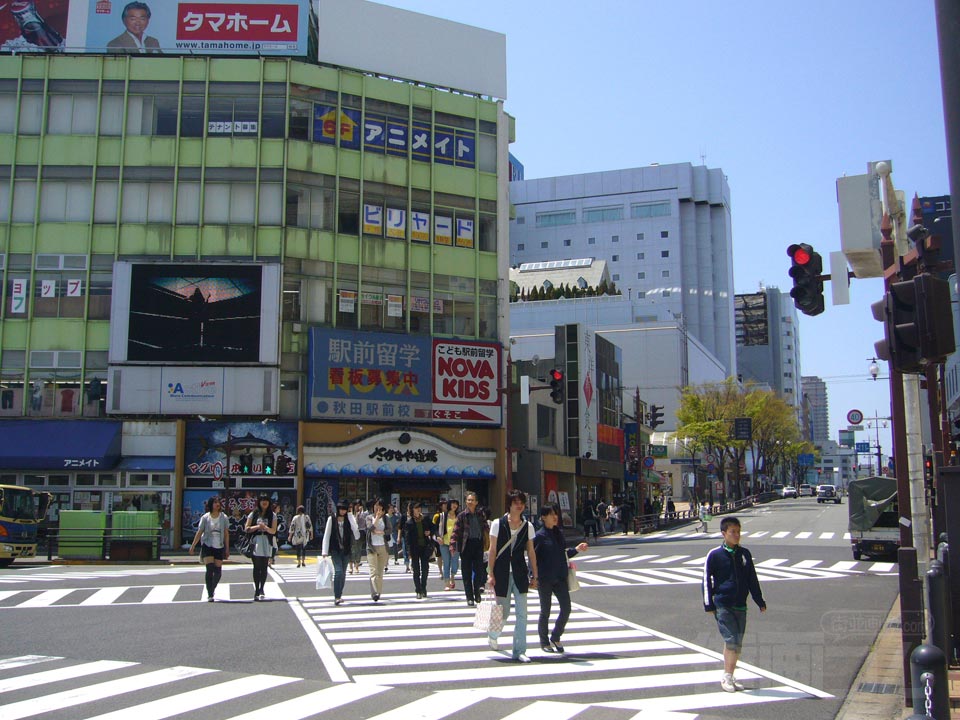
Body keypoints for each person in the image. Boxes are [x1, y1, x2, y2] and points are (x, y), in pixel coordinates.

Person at [702, 516, 767, 692]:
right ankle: (727, 676)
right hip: (723, 604)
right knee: (731, 640)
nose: (737, 535)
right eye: (733, 532)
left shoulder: (744, 554)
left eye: (738, 532)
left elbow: (752, 578)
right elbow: (706, 580)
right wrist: (709, 604)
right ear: (724, 534)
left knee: (737, 642)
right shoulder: (715, 555)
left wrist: (759, 600)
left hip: (741, 604)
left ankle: (730, 674)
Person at [486, 489, 538, 663]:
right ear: (509, 504)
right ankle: (493, 634)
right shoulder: (497, 523)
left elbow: (531, 551)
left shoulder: (528, 526)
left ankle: (520, 650)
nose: (519, 505)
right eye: (516, 502)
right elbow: (492, 550)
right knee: (503, 611)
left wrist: (535, 574)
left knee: (522, 613)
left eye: (522, 502)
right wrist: (490, 572)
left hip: (519, 571)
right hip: (501, 572)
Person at [533, 503, 587, 654]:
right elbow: (533, 558)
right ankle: (544, 641)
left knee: (566, 608)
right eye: (551, 514)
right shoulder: (539, 536)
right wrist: (533, 576)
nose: (555, 517)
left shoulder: (558, 533)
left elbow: (563, 553)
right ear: (543, 517)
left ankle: (555, 636)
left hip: (560, 577)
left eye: (556, 514)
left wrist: (576, 549)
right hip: (545, 578)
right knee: (546, 611)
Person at [450, 491, 489, 607]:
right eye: (468, 500)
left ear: (476, 502)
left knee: (479, 571)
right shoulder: (462, 515)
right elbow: (455, 531)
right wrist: (452, 545)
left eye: (472, 500)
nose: (470, 502)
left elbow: (486, 528)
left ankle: (477, 592)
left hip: (478, 544)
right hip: (465, 545)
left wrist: (491, 541)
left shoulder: (480, 514)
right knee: (466, 573)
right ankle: (469, 597)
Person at [188, 496, 230, 602]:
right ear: (211, 504)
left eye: (218, 502)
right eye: (215, 502)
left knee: (218, 571)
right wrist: (193, 546)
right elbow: (200, 532)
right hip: (207, 544)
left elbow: (226, 533)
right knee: (209, 569)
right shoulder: (205, 517)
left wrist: (227, 548)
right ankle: (210, 593)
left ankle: (212, 587)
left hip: (219, 545)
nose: (217, 504)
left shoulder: (223, 517)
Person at [321, 500, 360, 605]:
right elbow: (327, 535)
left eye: (345, 509)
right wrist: (324, 551)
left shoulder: (348, 519)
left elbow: (356, 532)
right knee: (338, 572)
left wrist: (351, 515)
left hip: (346, 550)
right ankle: (337, 596)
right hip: (335, 549)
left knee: (343, 573)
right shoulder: (332, 519)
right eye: (341, 509)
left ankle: (339, 594)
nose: (343, 511)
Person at [244, 494, 277, 601]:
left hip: (266, 541)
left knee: (264, 566)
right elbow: (247, 528)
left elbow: (273, 530)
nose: (264, 502)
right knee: (256, 566)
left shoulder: (272, 515)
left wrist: (266, 528)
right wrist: (258, 526)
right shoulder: (253, 514)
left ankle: (262, 588)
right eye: (262, 500)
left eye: (266, 500)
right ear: (259, 502)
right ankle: (256, 589)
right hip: (256, 541)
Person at [405, 502, 433, 599]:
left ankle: (423, 588)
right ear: (412, 510)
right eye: (416, 508)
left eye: (419, 508)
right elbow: (407, 538)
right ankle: (418, 590)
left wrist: (430, 532)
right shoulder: (409, 522)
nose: (418, 510)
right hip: (414, 548)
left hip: (425, 547)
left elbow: (433, 527)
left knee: (425, 569)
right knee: (416, 570)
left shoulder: (425, 519)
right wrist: (408, 552)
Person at [365, 498, 389, 602]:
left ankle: (378, 592)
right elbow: (370, 529)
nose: (377, 508)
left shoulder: (386, 518)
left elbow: (390, 530)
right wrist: (377, 518)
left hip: (383, 546)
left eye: (379, 506)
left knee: (380, 572)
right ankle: (374, 592)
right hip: (371, 547)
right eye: (376, 506)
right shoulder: (369, 517)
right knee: (373, 571)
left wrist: (382, 533)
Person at [439, 499, 460, 591]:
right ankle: (447, 583)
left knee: (455, 562)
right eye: (453, 504)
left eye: (456, 504)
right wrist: (437, 537)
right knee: (446, 562)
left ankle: (453, 576)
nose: (454, 506)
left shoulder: (460, 516)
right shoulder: (443, 515)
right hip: (444, 542)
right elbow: (435, 528)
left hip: (456, 542)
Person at [350, 500, 366, 574]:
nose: (357, 507)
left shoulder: (363, 514)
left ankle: (356, 566)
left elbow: (362, 524)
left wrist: (359, 514)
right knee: (352, 550)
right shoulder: (350, 514)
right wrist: (356, 515)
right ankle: (350, 567)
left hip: (359, 533)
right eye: (356, 505)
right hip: (351, 534)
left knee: (358, 549)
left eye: (359, 505)